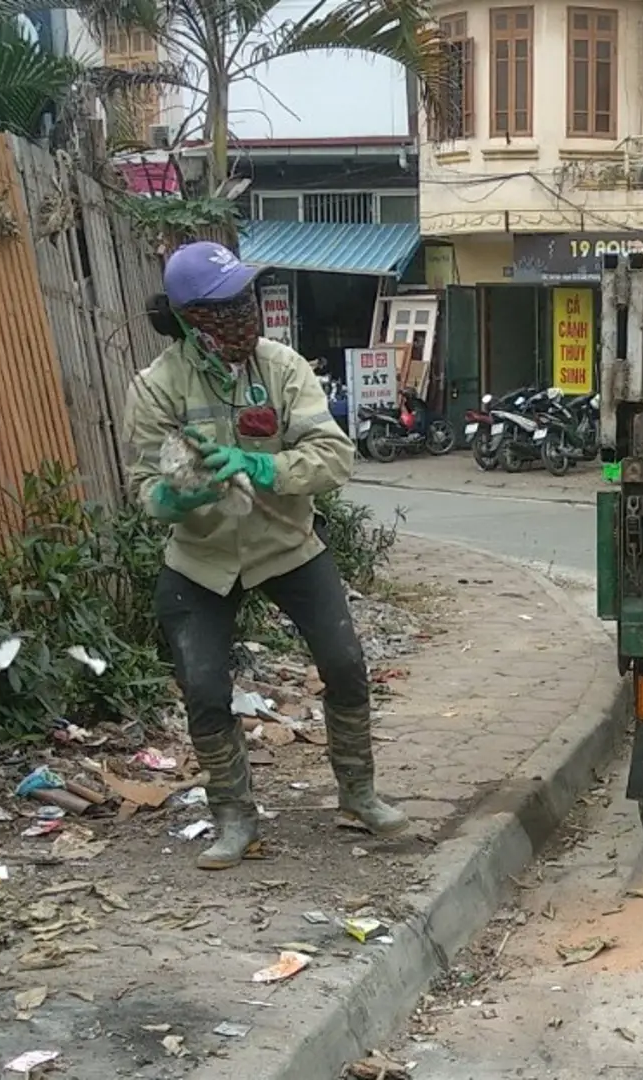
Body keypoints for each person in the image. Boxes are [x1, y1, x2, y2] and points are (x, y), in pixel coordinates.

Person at [124, 241, 408, 871]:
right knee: (202, 688)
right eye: (225, 309)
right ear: (190, 320)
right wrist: (176, 493)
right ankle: (234, 817)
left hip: (287, 546)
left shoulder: (281, 369)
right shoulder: (157, 389)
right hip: (200, 559)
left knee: (345, 663)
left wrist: (262, 464)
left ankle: (358, 795)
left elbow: (335, 458)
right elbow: (145, 491)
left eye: (247, 300)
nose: (243, 318)